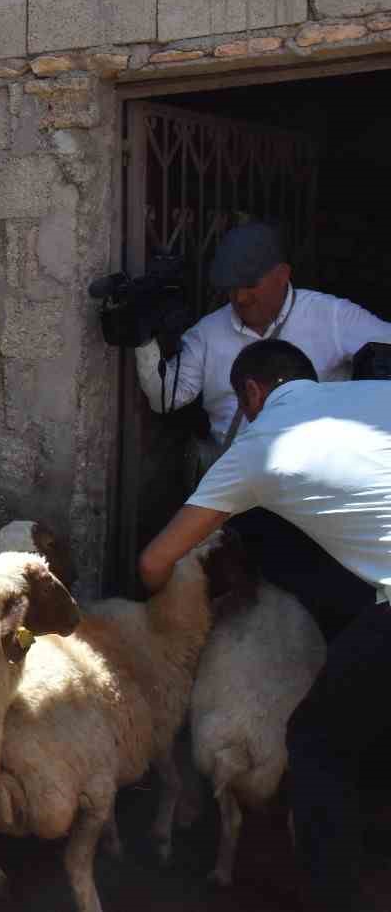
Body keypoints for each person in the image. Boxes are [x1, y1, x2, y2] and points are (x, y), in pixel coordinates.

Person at [138, 338, 391, 912]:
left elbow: (155, 562)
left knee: (316, 743)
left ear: (251, 392)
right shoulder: (375, 395)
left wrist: (169, 618)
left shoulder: (258, 444)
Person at [135, 222, 391, 636]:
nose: (240, 297)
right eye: (231, 287)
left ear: (283, 274)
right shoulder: (209, 333)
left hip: (321, 496)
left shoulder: (333, 317)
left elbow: (153, 563)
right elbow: (168, 397)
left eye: (250, 284)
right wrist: (142, 340)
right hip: (244, 495)